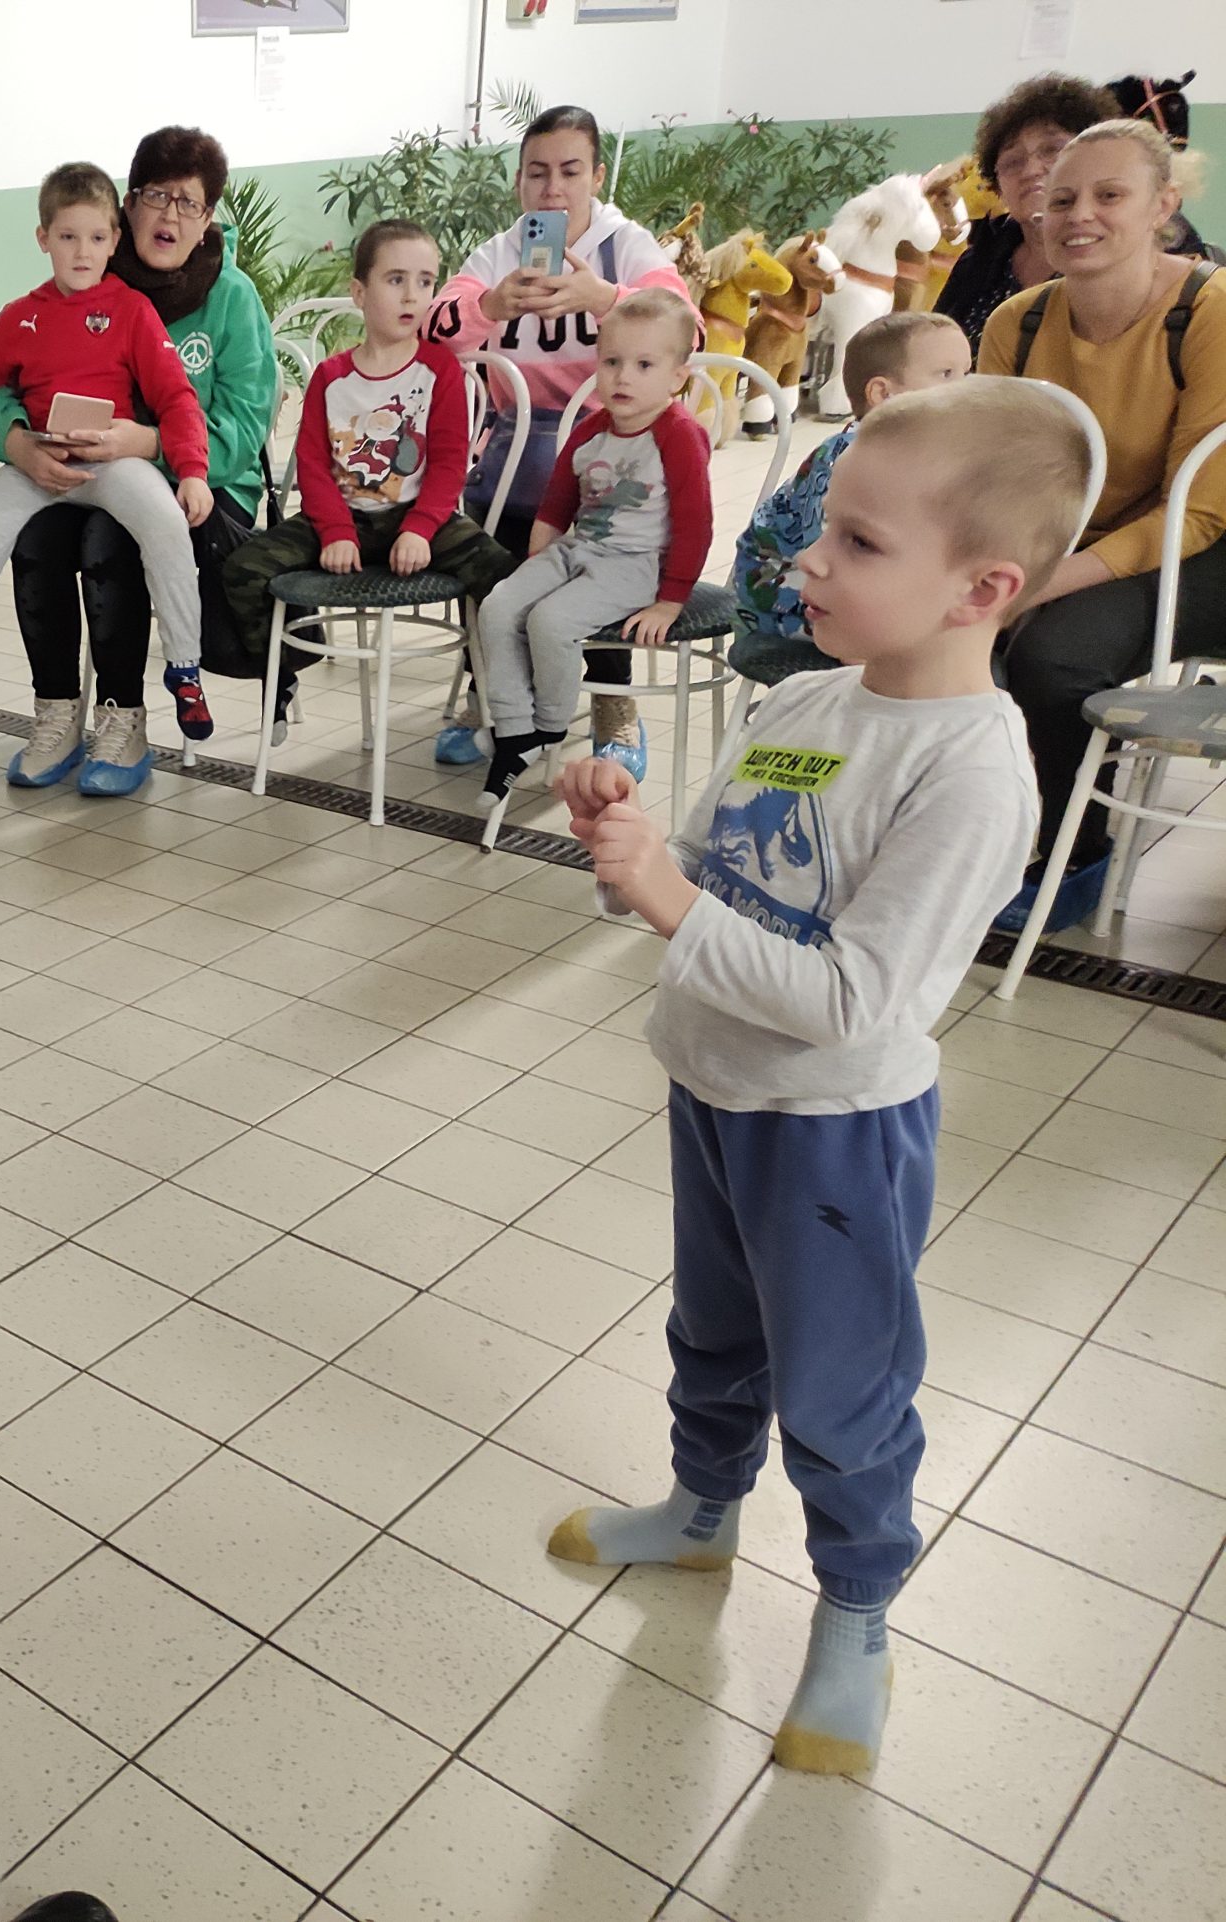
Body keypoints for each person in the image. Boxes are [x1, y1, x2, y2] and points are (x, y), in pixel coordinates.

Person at [545, 377, 1089, 1778]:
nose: (804, 560)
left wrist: (666, 893)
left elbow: (858, 1004)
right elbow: (708, 893)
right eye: (822, 529)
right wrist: (628, 843)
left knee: (842, 1391)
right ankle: (701, 1507)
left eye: (857, 541)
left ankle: (857, 1612)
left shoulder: (973, 774)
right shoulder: (807, 701)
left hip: (836, 1135)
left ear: (983, 586)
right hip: (714, 1090)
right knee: (712, 1329)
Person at [979, 119, 1226, 931]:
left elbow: (1198, 508)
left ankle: (1075, 849)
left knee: (1049, 656)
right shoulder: (1015, 323)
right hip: (1067, 535)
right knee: (951, 631)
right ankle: (968, 832)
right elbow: (990, 473)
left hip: (1201, 542)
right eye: (1061, 200)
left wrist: (1039, 587)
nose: (1079, 215)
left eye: (1109, 195)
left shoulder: (1210, 313)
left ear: (1164, 206)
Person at [0, 126, 277, 798]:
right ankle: (57, 713)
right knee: (36, 535)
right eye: (155, 196)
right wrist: (17, 440)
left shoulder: (231, 298)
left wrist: (148, 443)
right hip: (84, 474)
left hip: (203, 489)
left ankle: (124, 720)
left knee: (107, 538)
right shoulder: (89, 272)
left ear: (208, 221)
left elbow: (245, 425)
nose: (170, 215)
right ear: (126, 207)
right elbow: (0, 383)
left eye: (189, 203)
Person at [426, 103, 696, 775]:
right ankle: (490, 695)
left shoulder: (625, 245)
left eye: (570, 172)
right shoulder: (498, 253)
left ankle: (612, 706)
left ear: (597, 176)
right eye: (537, 174)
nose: (552, 189)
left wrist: (604, 298)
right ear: (519, 182)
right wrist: (490, 306)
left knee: (603, 568)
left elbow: (685, 323)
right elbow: (435, 330)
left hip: (612, 450)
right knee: (495, 567)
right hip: (516, 450)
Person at [0, 161, 214, 776]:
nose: (81, 252)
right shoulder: (19, 316)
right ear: (42, 239)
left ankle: (185, 671)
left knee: (165, 523)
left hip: (112, 462)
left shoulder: (133, 311)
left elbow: (176, 399)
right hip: (38, 466)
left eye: (95, 237)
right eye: (67, 237)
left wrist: (191, 469)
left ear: (115, 240)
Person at [219, 218, 515, 734]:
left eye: (426, 281)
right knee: (244, 567)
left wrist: (421, 529)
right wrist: (333, 531)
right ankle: (282, 673)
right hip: (339, 518)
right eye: (395, 279)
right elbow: (312, 467)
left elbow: (449, 464)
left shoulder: (439, 371)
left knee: (506, 581)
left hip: (423, 518)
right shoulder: (332, 378)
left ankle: (499, 699)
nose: (412, 295)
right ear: (359, 291)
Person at [474, 290, 712, 819]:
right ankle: (515, 730)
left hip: (636, 564)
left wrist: (671, 602)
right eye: (611, 362)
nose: (623, 377)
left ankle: (550, 723)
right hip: (578, 550)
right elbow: (556, 504)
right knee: (498, 605)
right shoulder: (590, 430)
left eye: (644, 365)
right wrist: (538, 564)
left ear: (677, 375)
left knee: (552, 621)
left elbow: (697, 526)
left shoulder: (678, 436)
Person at [730, 311, 972, 685]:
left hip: (850, 583)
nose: (964, 388)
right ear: (883, 393)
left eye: (966, 374)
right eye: (946, 375)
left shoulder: (926, 451)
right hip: (781, 589)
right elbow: (829, 555)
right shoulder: (850, 457)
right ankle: (854, 661)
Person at [932, 74, 1124, 348]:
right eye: (1013, 161)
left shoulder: (1126, 256)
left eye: (1052, 150)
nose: (1031, 170)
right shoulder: (978, 263)